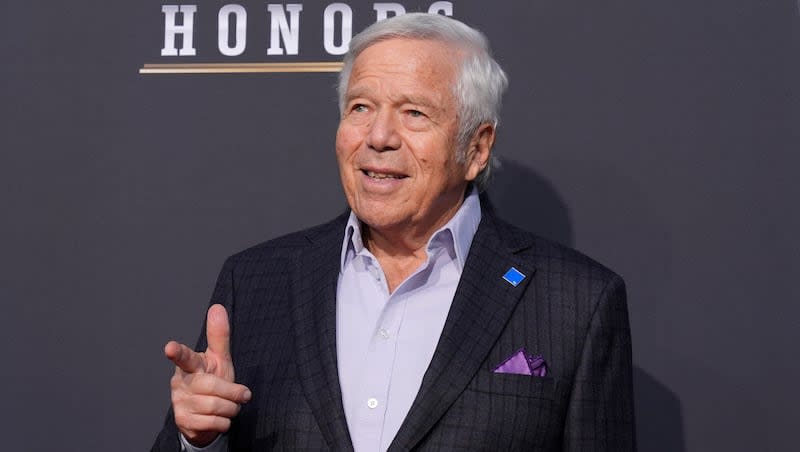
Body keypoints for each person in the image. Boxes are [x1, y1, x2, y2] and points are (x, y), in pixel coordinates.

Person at [152, 12, 635, 452]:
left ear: (477, 148)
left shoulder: (575, 302)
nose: (378, 136)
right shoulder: (256, 282)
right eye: (360, 107)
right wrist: (196, 441)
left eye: (414, 113)